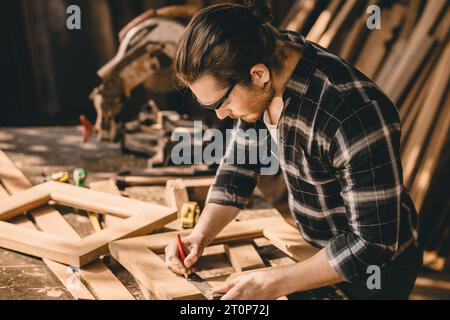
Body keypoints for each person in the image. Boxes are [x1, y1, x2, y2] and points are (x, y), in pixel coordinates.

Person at [165, 0, 422, 300]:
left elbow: (372, 243)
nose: (221, 115)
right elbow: (239, 167)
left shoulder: (352, 115)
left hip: (376, 270)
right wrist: (200, 235)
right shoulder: (264, 63)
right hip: (314, 248)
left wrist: (275, 282)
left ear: (258, 74)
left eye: (220, 104)